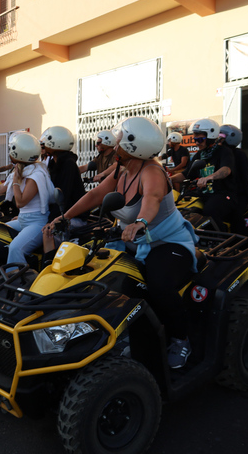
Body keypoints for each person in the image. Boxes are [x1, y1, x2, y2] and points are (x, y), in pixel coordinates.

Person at [45, 116, 199, 369]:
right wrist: (65, 217)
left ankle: (181, 340)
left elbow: (153, 198)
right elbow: (95, 194)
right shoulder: (123, 171)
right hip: (130, 241)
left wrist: (140, 223)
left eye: (119, 142)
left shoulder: (152, 171)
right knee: (102, 278)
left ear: (132, 146)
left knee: (158, 285)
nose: (115, 145)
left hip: (166, 243)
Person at [0, 132, 53, 266]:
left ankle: (16, 280)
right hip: (23, 220)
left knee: (16, 248)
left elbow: (21, 202)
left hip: (37, 224)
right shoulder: (22, 169)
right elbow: (1, 189)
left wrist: (17, 182)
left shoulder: (36, 174)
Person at [175, 118, 238, 230]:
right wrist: (167, 179)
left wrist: (209, 177)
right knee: (183, 209)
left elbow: (226, 170)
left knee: (210, 211)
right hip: (203, 194)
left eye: (200, 139)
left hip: (222, 193)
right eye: (195, 139)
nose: (197, 142)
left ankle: (222, 241)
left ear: (210, 137)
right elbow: (186, 174)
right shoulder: (199, 155)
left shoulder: (223, 151)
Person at [40, 125, 86, 221]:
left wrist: (51, 220)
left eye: (47, 141)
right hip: (60, 213)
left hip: (71, 216)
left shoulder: (68, 164)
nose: (44, 145)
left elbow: (63, 194)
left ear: (56, 143)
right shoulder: (54, 163)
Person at [219, 124, 248, 234]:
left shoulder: (239, 154)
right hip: (223, 191)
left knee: (236, 215)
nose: (218, 139)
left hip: (238, 193)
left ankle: (240, 243)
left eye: (221, 136)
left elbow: (245, 176)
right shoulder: (217, 152)